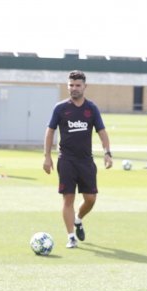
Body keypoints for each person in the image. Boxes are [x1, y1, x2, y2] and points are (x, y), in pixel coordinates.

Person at [43, 70, 113, 249]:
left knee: (91, 199)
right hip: (66, 160)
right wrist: (47, 157)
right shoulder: (60, 108)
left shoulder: (92, 109)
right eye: (71, 85)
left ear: (84, 87)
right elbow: (50, 131)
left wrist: (107, 152)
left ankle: (78, 219)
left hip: (86, 161)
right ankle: (71, 236)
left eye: (77, 85)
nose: (74, 88)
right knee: (68, 199)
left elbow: (102, 132)